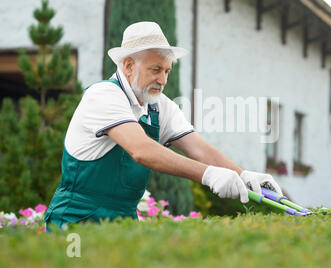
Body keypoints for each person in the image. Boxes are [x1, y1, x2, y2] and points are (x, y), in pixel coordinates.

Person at [44, 21, 282, 229]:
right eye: (156, 70)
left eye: (167, 71)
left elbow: (198, 149)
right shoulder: (103, 95)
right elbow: (142, 150)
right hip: (76, 221)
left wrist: (243, 175)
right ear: (128, 66)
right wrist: (208, 175)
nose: (164, 80)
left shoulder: (159, 105)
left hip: (123, 224)